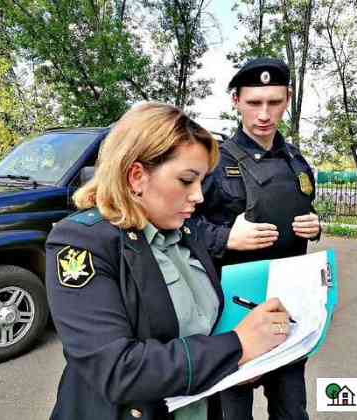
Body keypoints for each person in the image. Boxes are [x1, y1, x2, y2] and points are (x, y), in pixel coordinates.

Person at [45, 102, 292, 420]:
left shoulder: (185, 231)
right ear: (136, 177)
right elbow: (118, 369)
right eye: (187, 180)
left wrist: (244, 359)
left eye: (202, 181)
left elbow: (202, 331)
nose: (199, 196)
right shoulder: (83, 243)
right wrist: (238, 346)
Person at [193, 58, 322, 420]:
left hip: (288, 307)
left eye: (274, 102)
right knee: (232, 412)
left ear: (288, 99)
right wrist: (226, 238)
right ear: (236, 100)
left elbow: (303, 207)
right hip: (233, 312)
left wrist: (315, 225)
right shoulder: (213, 161)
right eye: (253, 103)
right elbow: (181, 228)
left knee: (292, 408)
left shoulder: (296, 160)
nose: (264, 114)